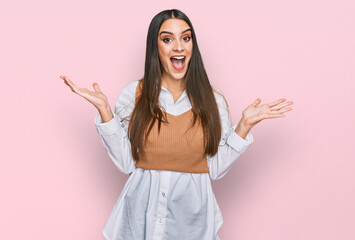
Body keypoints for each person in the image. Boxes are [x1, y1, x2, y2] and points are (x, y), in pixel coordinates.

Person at [60, 8, 293, 240]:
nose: (179, 47)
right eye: (167, 39)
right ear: (155, 47)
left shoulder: (213, 99)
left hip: (192, 226)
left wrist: (244, 125)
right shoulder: (134, 94)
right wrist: (105, 112)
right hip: (140, 222)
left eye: (186, 37)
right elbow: (126, 163)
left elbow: (216, 168)